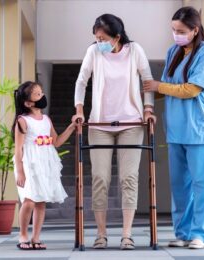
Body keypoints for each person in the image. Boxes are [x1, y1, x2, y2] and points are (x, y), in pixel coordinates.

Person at [71, 13, 156, 250]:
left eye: (102, 38)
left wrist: (148, 109)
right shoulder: (94, 52)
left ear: (117, 37)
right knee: (100, 179)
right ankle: (101, 234)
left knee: (129, 178)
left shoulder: (135, 50)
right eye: (96, 38)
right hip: (99, 124)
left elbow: (147, 81)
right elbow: (81, 81)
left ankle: (127, 235)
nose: (98, 42)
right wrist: (79, 109)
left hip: (132, 124)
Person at [143, 6, 204, 250]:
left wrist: (156, 86)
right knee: (180, 186)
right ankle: (183, 232)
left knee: (202, 184)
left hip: (199, 129)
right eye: (173, 30)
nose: (176, 34)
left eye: (181, 30)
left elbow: (190, 89)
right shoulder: (173, 51)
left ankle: (201, 234)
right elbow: (167, 87)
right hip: (176, 130)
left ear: (195, 29)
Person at [13, 81, 75, 250]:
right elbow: (18, 149)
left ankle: (36, 237)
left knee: (41, 202)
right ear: (28, 103)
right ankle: (23, 235)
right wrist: (20, 171)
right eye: (38, 94)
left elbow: (56, 142)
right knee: (29, 200)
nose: (43, 96)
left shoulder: (46, 119)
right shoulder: (23, 121)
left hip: (46, 161)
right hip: (29, 162)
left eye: (42, 93)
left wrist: (71, 127)